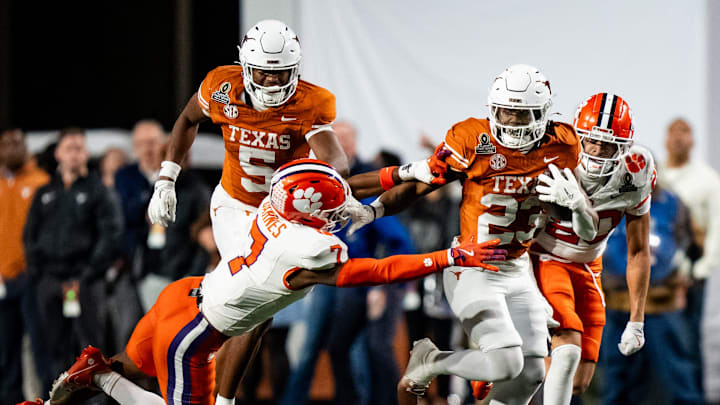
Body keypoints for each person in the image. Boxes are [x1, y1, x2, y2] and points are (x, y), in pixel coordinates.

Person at [46, 159, 506, 405]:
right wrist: (447, 256)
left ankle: (95, 371)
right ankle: (101, 378)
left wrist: (408, 172)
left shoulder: (275, 206)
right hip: (193, 335)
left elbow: (339, 187)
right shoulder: (307, 251)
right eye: (329, 213)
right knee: (136, 383)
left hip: (182, 295)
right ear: (310, 215)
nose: (337, 216)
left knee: (134, 365)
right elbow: (377, 271)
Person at [349, 64, 593, 405]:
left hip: (517, 268)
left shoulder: (564, 145)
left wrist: (577, 204)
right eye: (506, 112)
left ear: (543, 114)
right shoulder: (473, 141)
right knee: (507, 362)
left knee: (533, 373)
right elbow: (421, 184)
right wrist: (375, 209)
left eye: (522, 115)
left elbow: (585, 228)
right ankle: (431, 360)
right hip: (472, 265)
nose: (511, 122)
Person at [529, 93, 653, 404]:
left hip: (588, 265)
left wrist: (637, 320)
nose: (597, 150)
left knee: (578, 382)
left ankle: (515, 373)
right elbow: (524, 232)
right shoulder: (555, 157)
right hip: (546, 257)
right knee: (565, 348)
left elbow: (638, 250)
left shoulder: (636, 170)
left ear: (624, 147)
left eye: (608, 144)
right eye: (591, 141)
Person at [22, 127, 123, 385]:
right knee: (53, 347)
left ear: (86, 153)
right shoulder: (45, 192)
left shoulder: (98, 191)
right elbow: (30, 235)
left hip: (84, 281)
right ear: (58, 153)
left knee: (89, 349)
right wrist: (39, 274)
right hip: (50, 281)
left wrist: (87, 274)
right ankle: (56, 399)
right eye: (69, 148)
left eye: (79, 148)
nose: (74, 154)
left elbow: (111, 234)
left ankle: (93, 402)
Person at [600, 172, 703, 404]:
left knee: (679, 374)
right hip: (617, 302)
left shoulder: (674, 204)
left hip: (661, 302)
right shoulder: (607, 201)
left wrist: (685, 275)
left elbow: (692, 245)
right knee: (616, 376)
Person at [657, 118, 720, 403]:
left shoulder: (707, 179)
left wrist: (703, 267)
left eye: (686, 133)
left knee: (690, 337)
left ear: (693, 141)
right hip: (664, 271)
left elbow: (716, 225)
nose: (680, 139)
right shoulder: (662, 178)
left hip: (692, 270)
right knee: (668, 338)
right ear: (666, 140)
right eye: (674, 133)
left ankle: (695, 396)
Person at [0, 128, 50, 403]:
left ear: (26, 146)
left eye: (16, 142)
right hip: (2, 279)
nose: (10, 148)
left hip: (32, 277)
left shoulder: (41, 181)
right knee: (6, 348)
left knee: (40, 347)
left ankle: (45, 399)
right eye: (5, 143)